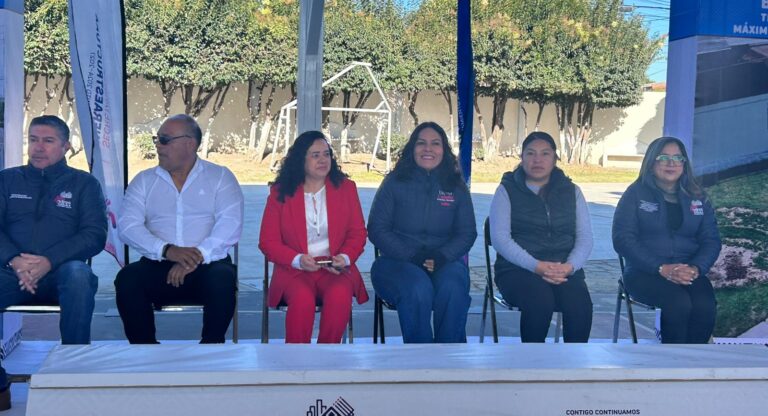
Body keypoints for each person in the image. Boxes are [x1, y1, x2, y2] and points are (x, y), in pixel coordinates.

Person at [116, 114, 243, 344]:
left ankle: (211, 349)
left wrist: (195, 257)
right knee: (128, 279)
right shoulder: (144, 181)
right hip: (158, 264)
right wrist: (167, 250)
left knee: (223, 279)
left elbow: (230, 224)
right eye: (157, 139)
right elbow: (127, 226)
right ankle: (144, 350)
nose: (157, 145)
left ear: (189, 144)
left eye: (164, 139)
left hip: (208, 264)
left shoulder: (220, 177)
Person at [0, 115, 107, 345]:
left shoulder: (85, 184)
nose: (38, 148)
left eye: (48, 141)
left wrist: (49, 261)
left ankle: (72, 363)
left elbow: (94, 235)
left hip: (62, 272)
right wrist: (14, 260)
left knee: (80, 275)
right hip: (12, 272)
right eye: (33, 139)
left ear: (66, 146)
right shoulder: (7, 180)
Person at [368, 122, 476, 343]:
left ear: (444, 150)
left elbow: (467, 233)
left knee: (453, 288)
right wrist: (411, 256)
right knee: (417, 288)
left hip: (444, 262)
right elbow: (377, 229)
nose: (428, 149)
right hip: (396, 263)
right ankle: (420, 360)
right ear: (412, 148)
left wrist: (443, 256)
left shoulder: (456, 186)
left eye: (435, 144)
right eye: (421, 143)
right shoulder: (394, 182)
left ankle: (449, 360)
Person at [259, 131, 368, 343]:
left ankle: (327, 360)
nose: (323, 160)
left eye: (326, 154)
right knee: (302, 300)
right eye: (315, 155)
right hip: (295, 269)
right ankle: (297, 362)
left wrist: (344, 258)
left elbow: (357, 233)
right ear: (301, 160)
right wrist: (297, 260)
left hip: (335, 268)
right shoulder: (280, 192)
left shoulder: (346, 189)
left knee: (339, 297)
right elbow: (268, 241)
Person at [612, 136, 720, 344]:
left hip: (689, 272)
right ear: (651, 163)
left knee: (704, 304)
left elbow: (711, 240)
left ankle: (693, 363)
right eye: (663, 157)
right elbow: (622, 238)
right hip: (644, 272)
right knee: (678, 303)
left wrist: (696, 268)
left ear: (684, 164)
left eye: (678, 158)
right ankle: (673, 366)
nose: (671, 163)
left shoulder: (698, 196)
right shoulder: (635, 194)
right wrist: (661, 267)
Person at [489, 132, 593, 343]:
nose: (538, 160)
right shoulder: (507, 190)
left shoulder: (572, 191)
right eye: (531, 153)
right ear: (522, 158)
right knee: (539, 301)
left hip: (564, 270)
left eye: (545, 153)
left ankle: (575, 367)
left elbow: (585, 237)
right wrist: (537, 266)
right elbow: (500, 239)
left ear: (555, 158)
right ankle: (532, 366)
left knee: (579, 304)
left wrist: (570, 266)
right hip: (516, 270)